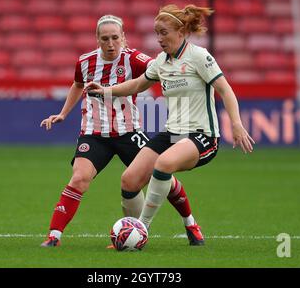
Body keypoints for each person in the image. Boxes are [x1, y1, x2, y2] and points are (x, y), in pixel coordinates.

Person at [86, 5, 255, 243]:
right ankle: (191, 224)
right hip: (172, 134)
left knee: (163, 164)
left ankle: (140, 230)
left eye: (164, 32)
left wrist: (236, 123)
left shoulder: (199, 56)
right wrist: (105, 91)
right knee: (129, 179)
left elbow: (225, 90)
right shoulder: (161, 62)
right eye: (157, 33)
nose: (159, 38)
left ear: (181, 31)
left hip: (202, 135)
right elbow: (136, 85)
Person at [40, 14, 203, 247]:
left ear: (123, 38)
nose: (110, 44)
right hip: (94, 134)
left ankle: (190, 224)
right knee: (79, 178)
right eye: (105, 39)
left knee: (162, 174)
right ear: (97, 40)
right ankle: (54, 236)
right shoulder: (85, 62)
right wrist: (63, 113)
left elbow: (161, 68)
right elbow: (77, 84)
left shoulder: (135, 59)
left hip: (129, 132)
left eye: (115, 38)